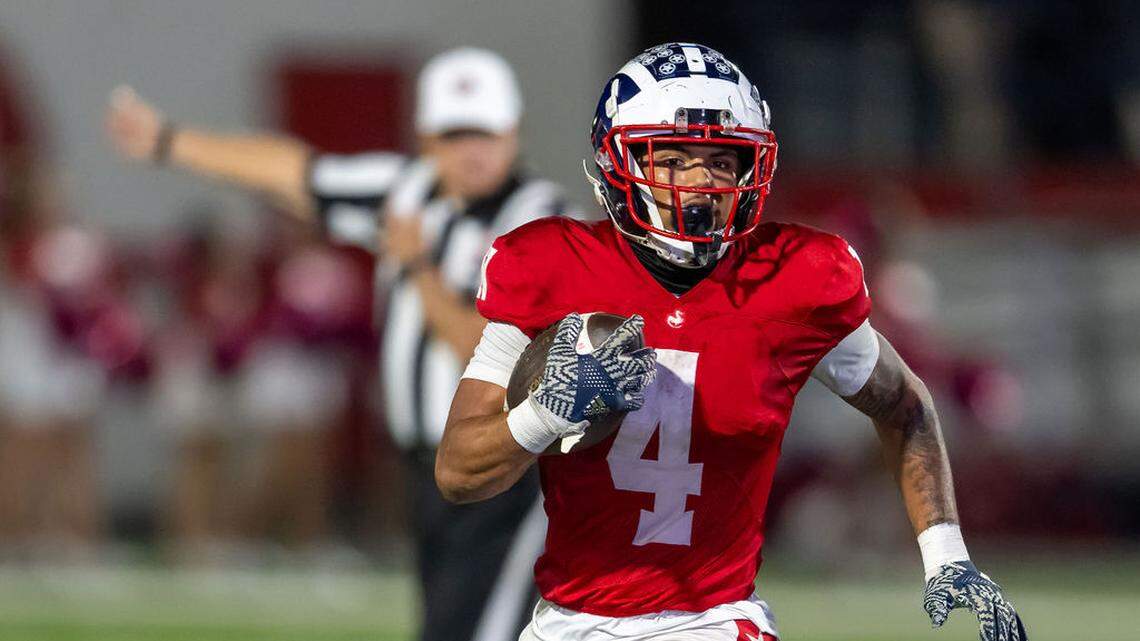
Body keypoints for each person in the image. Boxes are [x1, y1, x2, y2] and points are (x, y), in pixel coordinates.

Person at [437, 42, 1027, 641]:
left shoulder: (795, 278)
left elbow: (905, 407)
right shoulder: (547, 267)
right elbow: (458, 472)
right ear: (618, 162)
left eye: (722, 161)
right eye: (672, 158)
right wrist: (546, 412)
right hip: (568, 623)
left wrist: (947, 554)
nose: (700, 183)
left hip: (713, 621)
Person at [106, 47, 578, 641]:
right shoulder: (404, 190)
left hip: (502, 470)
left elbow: (495, 355)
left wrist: (419, 268)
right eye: (455, 134)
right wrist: (170, 141)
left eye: (485, 132)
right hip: (425, 469)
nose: (472, 150)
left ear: (514, 131)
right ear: (425, 138)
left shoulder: (542, 221)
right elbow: (295, 172)